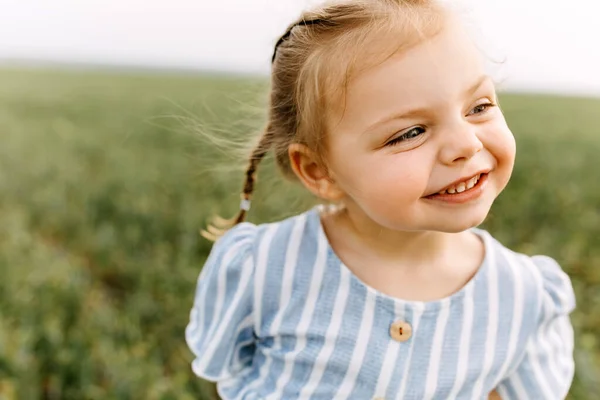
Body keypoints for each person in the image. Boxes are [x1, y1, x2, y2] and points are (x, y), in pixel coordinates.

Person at [185, 0, 576, 398]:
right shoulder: (265, 268)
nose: (465, 143)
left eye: (479, 106)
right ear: (320, 171)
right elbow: (228, 373)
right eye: (410, 133)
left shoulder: (522, 295)